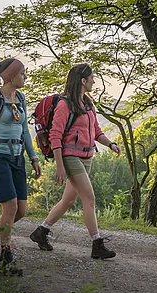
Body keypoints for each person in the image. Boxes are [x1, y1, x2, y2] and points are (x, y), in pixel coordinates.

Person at [29, 63, 121, 259]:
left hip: (87, 156)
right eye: (92, 78)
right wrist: (60, 165)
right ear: (83, 81)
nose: (94, 81)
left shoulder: (88, 103)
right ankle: (97, 244)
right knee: (89, 198)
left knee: (68, 200)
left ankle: (41, 232)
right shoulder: (65, 104)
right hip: (70, 157)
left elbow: (96, 131)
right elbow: (55, 135)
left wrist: (110, 144)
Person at [0, 57, 41, 275]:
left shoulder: (20, 98)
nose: (25, 76)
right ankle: (6, 255)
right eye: (22, 73)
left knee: (20, 210)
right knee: (10, 206)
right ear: (10, 76)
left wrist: (34, 158)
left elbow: (24, 132)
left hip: (17, 158)